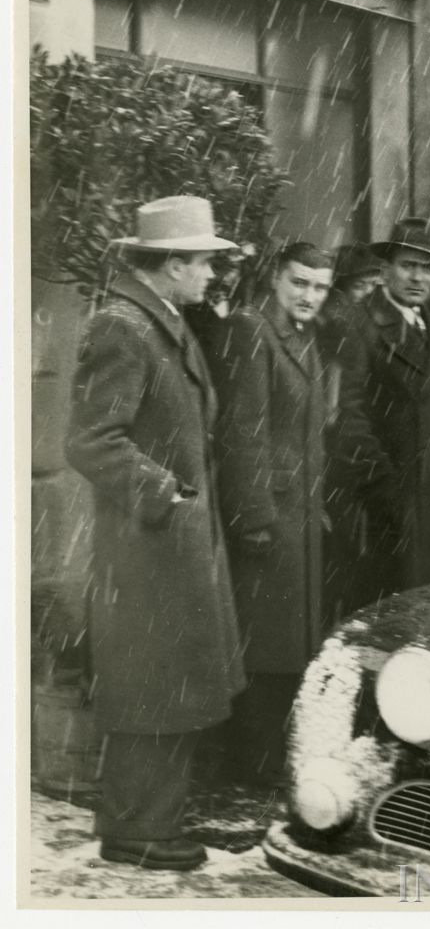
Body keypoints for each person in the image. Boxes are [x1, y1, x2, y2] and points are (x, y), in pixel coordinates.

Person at [65, 196, 245, 872]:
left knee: (169, 682)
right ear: (169, 265)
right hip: (147, 548)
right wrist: (166, 495)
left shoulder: (160, 321)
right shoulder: (125, 327)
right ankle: (139, 830)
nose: (211, 275)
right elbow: (89, 440)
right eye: (202, 262)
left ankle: (148, 820)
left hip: (168, 543)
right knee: (152, 685)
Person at [212, 242, 333, 788]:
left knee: (291, 642)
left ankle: (267, 762)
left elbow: (304, 435)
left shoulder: (304, 338)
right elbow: (244, 430)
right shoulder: (250, 328)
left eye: (320, 287)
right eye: (298, 283)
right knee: (264, 643)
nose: (309, 296)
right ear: (275, 281)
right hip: (269, 518)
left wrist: (317, 503)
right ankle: (248, 766)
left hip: (299, 513)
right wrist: (255, 517)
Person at [328, 217, 430, 611]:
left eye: (427, 268)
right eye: (408, 265)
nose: (418, 277)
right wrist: (385, 486)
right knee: (386, 611)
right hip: (382, 505)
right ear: (386, 270)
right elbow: (347, 415)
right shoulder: (358, 323)